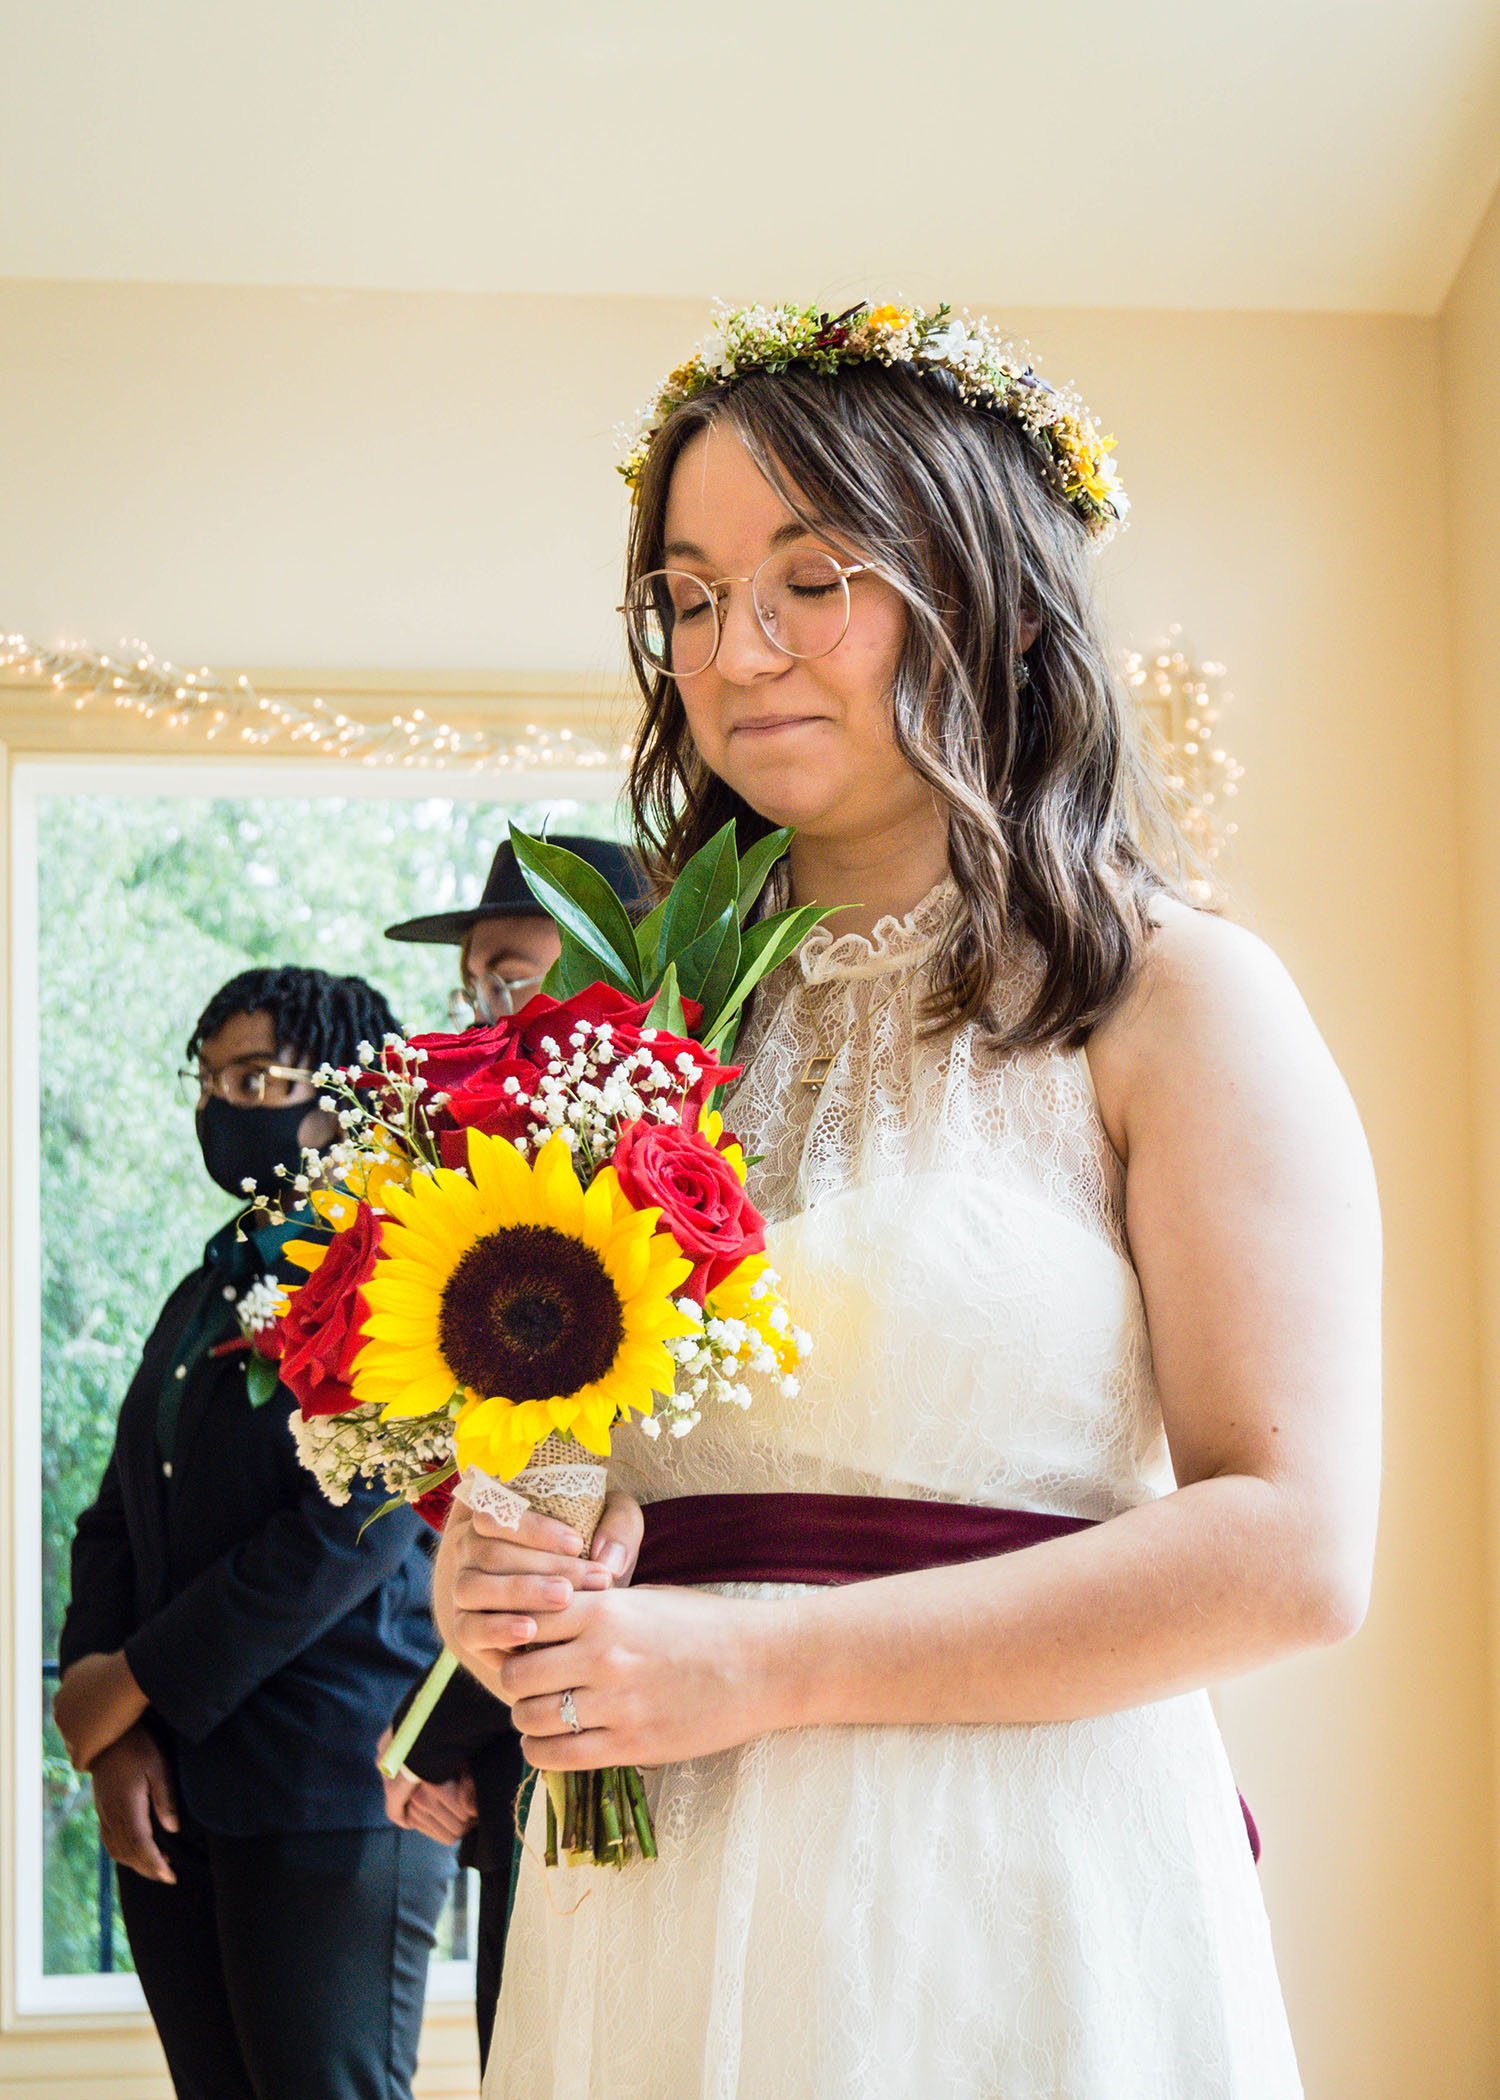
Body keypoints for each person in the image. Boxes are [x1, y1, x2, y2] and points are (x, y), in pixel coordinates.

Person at [436, 301, 1381, 2099]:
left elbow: (1294, 1548)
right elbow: (581, 1465)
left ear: (994, 601)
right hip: (652, 1901)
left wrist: (765, 1673)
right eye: (694, 597)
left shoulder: (1175, 997)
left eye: (816, 576)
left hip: (1013, 1886)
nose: (743, 649)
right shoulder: (641, 1033)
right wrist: (503, 1574)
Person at [55, 966, 456, 2100]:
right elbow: (117, 1508)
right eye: (208, 1081)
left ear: (340, 1094)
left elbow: (354, 1531)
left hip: (334, 1784)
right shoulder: (205, 1288)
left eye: (249, 1079)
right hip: (174, 1791)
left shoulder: (397, 1276)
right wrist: (105, 1713)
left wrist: (136, 1680)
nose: (217, 1110)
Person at [379, 833, 647, 2072]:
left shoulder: (659, 1159)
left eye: (538, 976)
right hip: (524, 1762)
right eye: (490, 978)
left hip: (666, 1719)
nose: (510, 1007)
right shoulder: (449, 1193)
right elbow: (491, 1504)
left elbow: (617, 1497)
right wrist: (445, 1737)